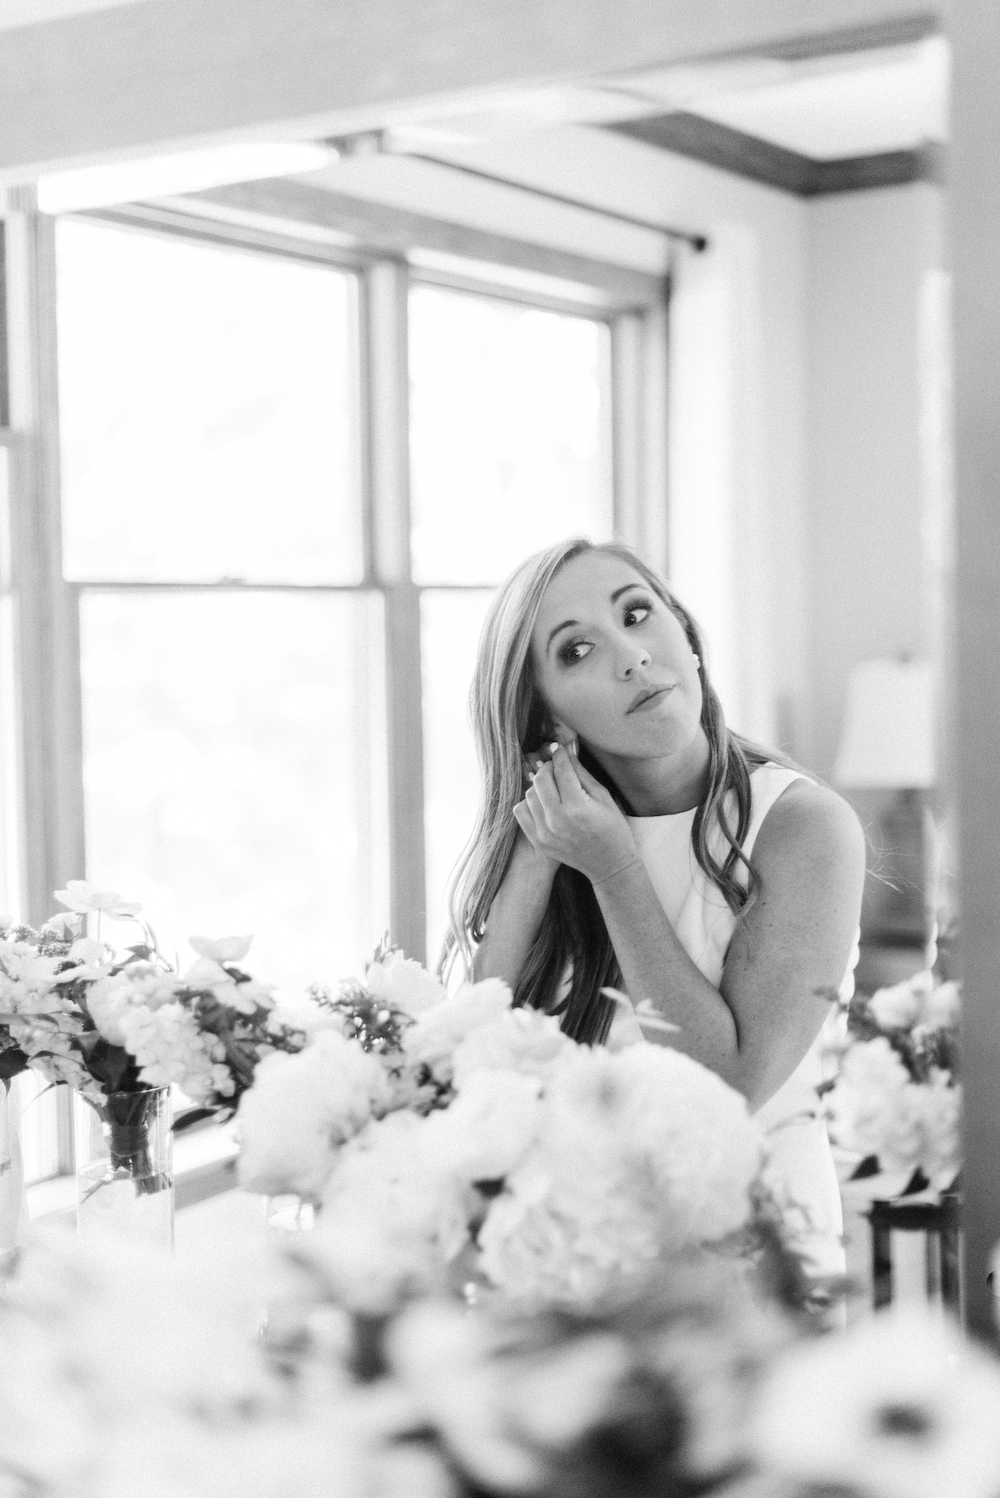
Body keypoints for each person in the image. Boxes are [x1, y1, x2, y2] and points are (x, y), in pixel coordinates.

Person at [443, 536, 865, 1280]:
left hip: (751, 1245)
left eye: (638, 614)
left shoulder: (804, 827)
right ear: (548, 720)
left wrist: (613, 866)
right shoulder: (563, 835)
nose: (631, 655)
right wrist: (541, 853)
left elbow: (727, 1086)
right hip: (574, 1253)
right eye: (577, 652)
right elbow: (473, 1060)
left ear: (687, 636)